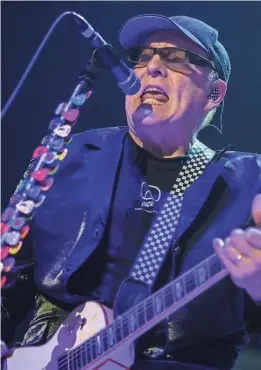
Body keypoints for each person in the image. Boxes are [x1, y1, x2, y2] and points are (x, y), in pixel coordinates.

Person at [1, 13, 261, 370]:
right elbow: (8, 279)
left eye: (175, 58)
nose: (151, 67)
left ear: (213, 93)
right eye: (143, 56)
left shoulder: (250, 182)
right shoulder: (66, 154)